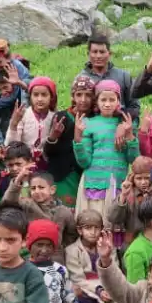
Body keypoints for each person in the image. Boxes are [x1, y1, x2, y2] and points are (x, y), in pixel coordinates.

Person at [75, 79, 139, 224]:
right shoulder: (89, 124)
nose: (107, 104)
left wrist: (129, 135)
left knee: (114, 226)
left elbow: (132, 159)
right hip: (93, 184)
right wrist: (77, 139)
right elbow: (84, 162)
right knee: (93, 225)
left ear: (118, 102)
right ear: (96, 102)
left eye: (112, 99)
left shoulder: (125, 124)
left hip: (117, 183)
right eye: (103, 99)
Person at [5, 171, 79, 264]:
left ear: (52, 189)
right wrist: (18, 181)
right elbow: (7, 203)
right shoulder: (27, 205)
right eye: (33, 188)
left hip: (56, 259)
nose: (37, 191)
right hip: (30, 258)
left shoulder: (64, 211)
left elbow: (71, 234)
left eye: (41, 187)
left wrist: (61, 247)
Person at [65, 209, 123, 303]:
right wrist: (98, 290)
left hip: (107, 286)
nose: (93, 232)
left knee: (121, 290)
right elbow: (78, 279)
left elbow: (115, 271)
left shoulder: (109, 247)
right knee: (75, 293)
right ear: (79, 230)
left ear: (101, 229)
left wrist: (107, 288)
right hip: (86, 288)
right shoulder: (72, 250)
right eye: (88, 228)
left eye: (96, 228)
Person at [42, 77, 90, 208]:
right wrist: (53, 137)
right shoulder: (61, 117)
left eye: (88, 95)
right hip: (61, 175)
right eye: (79, 94)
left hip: (83, 175)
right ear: (73, 96)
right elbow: (48, 152)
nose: (83, 99)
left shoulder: (95, 119)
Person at [0, 38, 31, 147]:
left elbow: (14, 95)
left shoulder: (16, 67)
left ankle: (24, 112)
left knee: (24, 87)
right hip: (4, 97)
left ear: (8, 59)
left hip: (20, 92)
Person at [27, 219, 81, 303]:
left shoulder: (60, 270)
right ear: (30, 245)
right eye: (39, 245)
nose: (44, 250)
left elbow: (69, 296)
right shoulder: (22, 269)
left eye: (49, 245)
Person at [78, 33, 137, 119]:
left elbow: (134, 106)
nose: (98, 56)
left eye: (102, 52)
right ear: (88, 54)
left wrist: (123, 122)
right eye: (94, 52)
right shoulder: (81, 79)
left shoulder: (124, 76)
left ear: (109, 53)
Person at [110, 156, 152, 249]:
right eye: (139, 178)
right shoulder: (128, 194)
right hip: (132, 244)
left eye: (147, 178)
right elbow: (114, 218)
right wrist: (123, 196)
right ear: (132, 178)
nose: (143, 182)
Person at [7, 76, 58, 166]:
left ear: (52, 97)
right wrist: (13, 125)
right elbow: (11, 146)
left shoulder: (55, 117)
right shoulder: (23, 115)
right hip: (23, 163)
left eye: (44, 95)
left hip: (47, 163)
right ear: (30, 96)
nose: (39, 99)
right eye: (35, 95)